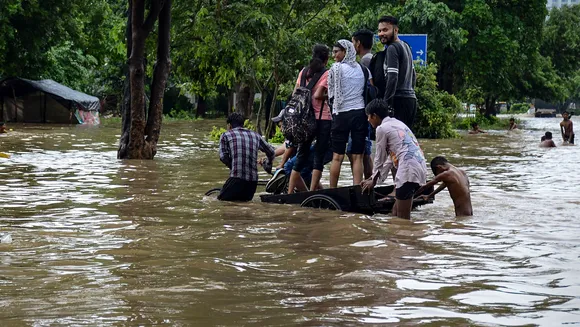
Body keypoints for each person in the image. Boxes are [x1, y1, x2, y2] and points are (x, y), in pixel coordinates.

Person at [361, 99, 427, 219]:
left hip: (407, 170)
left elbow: (379, 157)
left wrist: (374, 181)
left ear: (374, 116)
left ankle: (404, 237)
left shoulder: (381, 129)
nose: (368, 120)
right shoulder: (398, 123)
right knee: (395, 213)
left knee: (403, 221)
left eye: (368, 117)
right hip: (418, 166)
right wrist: (373, 177)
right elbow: (390, 159)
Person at [285, 44, 332, 193]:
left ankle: (290, 192)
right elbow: (318, 94)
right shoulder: (327, 73)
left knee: (301, 156)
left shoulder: (303, 72)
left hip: (303, 120)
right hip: (322, 118)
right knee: (318, 157)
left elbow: (294, 94)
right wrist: (331, 95)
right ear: (327, 59)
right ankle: (312, 192)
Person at [328, 39, 372, 188]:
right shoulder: (363, 69)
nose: (334, 55)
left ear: (345, 52)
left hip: (341, 114)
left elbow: (331, 93)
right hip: (360, 114)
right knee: (358, 156)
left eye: (336, 52)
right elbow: (370, 88)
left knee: (337, 157)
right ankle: (357, 189)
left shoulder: (335, 68)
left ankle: (332, 190)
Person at [372, 16, 417, 130]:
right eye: (379, 30)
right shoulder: (405, 46)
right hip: (411, 100)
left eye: (385, 30)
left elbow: (392, 78)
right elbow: (414, 76)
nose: (381, 33)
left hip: (398, 100)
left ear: (395, 30)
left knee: (394, 144)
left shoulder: (393, 48)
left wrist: (385, 105)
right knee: (404, 142)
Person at [218, 112, 276, 202]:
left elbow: (223, 157)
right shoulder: (255, 135)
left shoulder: (226, 135)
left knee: (220, 202)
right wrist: (268, 164)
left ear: (229, 125)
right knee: (244, 204)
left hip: (236, 178)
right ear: (243, 124)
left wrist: (232, 166)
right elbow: (272, 152)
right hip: (252, 182)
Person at [348, 29, 376, 180]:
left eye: (353, 42)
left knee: (361, 151)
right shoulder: (372, 58)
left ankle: (364, 183)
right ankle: (366, 182)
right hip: (367, 111)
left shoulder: (365, 61)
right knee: (363, 151)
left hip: (364, 112)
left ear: (358, 43)